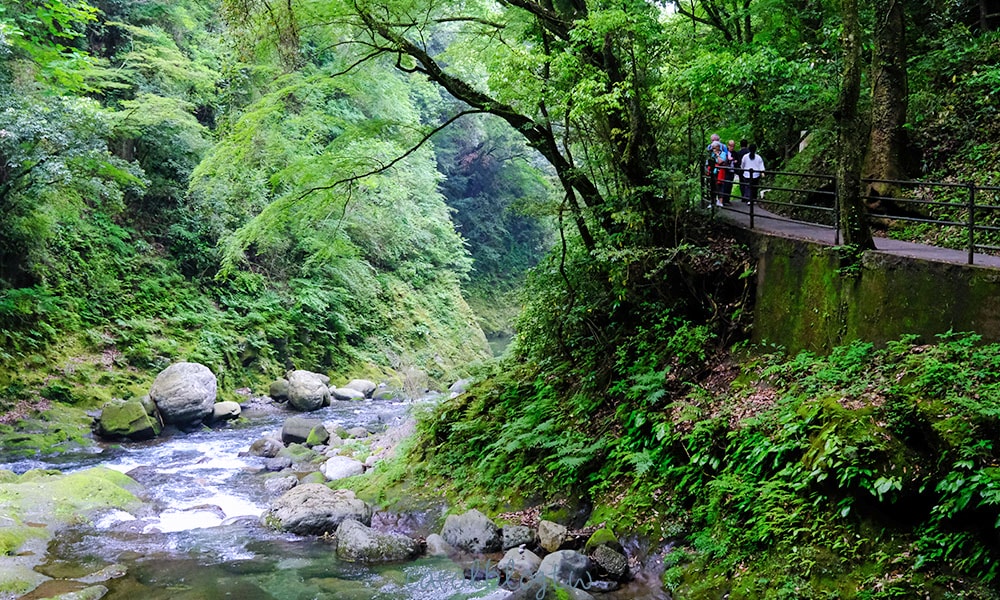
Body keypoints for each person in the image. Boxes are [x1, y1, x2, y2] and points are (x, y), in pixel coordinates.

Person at [705, 140, 726, 206]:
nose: (713, 149)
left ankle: (720, 201)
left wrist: (717, 155)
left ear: (718, 147)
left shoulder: (723, 154)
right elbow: (709, 162)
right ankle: (712, 201)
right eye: (712, 148)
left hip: (719, 172)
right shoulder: (711, 154)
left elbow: (720, 162)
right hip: (712, 172)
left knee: (720, 186)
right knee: (712, 186)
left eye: (714, 147)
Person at [720, 139, 737, 205]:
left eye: (733, 146)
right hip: (726, 171)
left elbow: (737, 160)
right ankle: (723, 200)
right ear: (728, 146)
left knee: (730, 185)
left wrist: (735, 161)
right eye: (731, 146)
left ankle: (727, 199)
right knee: (725, 185)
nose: (732, 148)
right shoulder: (725, 152)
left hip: (732, 171)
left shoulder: (735, 153)